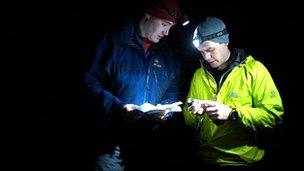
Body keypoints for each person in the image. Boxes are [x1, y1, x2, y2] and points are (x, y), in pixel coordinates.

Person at [84, 0, 189, 170]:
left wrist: (164, 113)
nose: (167, 33)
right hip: (112, 142)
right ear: (148, 16)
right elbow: (90, 82)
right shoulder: (114, 42)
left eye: (171, 27)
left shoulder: (168, 53)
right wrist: (117, 107)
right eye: (164, 24)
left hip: (150, 142)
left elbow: (172, 90)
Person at [183, 16, 284, 171]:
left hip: (242, 161)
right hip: (205, 159)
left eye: (210, 50)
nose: (206, 57)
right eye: (201, 52)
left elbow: (273, 117)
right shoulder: (199, 75)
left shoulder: (254, 70)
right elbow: (189, 120)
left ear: (225, 42)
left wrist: (232, 114)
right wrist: (194, 110)